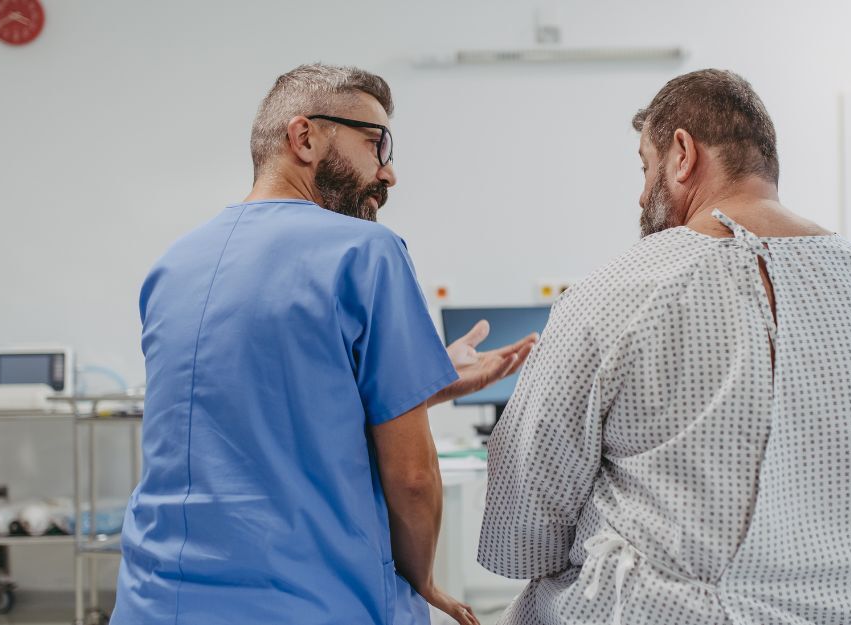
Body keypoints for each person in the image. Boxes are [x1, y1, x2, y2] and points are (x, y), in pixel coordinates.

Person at [478, 69, 851, 624]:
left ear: (682, 154)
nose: (642, 193)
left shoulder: (620, 291)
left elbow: (523, 530)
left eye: (645, 168)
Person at [112, 63, 534, 625]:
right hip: (311, 601)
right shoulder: (366, 252)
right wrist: (423, 578)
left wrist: (425, 386)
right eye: (374, 143)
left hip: (154, 601)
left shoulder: (172, 264)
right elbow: (411, 476)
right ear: (304, 136)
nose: (388, 173)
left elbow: (265, 418)